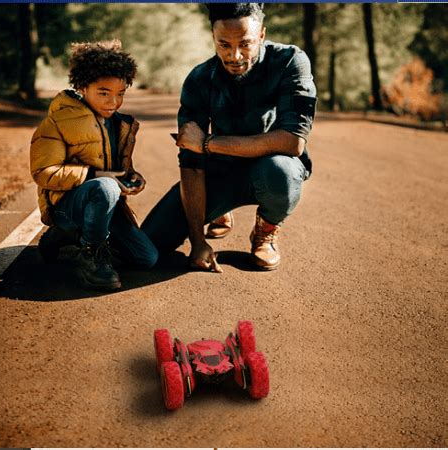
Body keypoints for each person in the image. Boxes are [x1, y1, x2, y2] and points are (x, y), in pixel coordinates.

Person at [141, 3, 316, 273]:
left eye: (245, 44)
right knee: (149, 245)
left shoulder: (290, 61)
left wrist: (208, 143)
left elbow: (293, 142)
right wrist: (197, 242)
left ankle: (265, 230)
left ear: (261, 35)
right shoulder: (199, 80)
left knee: (281, 172)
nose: (234, 56)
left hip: (269, 168)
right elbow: (191, 164)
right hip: (219, 172)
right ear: (213, 36)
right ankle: (221, 208)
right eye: (224, 44)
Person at [30, 40, 158, 291]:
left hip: (104, 202)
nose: (113, 102)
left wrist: (130, 176)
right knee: (106, 187)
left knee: (147, 259)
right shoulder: (58, 121)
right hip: (66, 207)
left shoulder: (120, 124)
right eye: (104, 93)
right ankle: (90, 254)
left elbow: (116, 169)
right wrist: (97, 176)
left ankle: (74, 236)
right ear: (81, 87)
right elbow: (43, 173)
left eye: (120, 94)